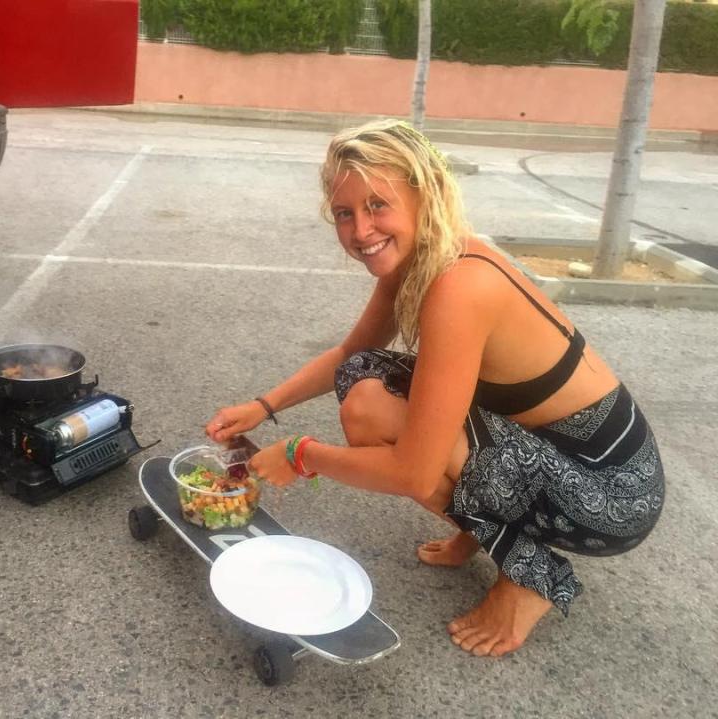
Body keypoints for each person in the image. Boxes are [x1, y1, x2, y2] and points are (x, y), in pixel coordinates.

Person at [203, 119, 665, 658]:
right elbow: (349, 356)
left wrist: (300, 454)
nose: (360, 231)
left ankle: (530, 577)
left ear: (427, 196)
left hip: (611, 492)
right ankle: (487, 528)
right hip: (554, 453)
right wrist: (264, 406)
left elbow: (412, 473)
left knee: (377, 418)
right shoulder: (420, 258)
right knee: (362, 377)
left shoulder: (459, 287)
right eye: (344, 214)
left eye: (378, 205)